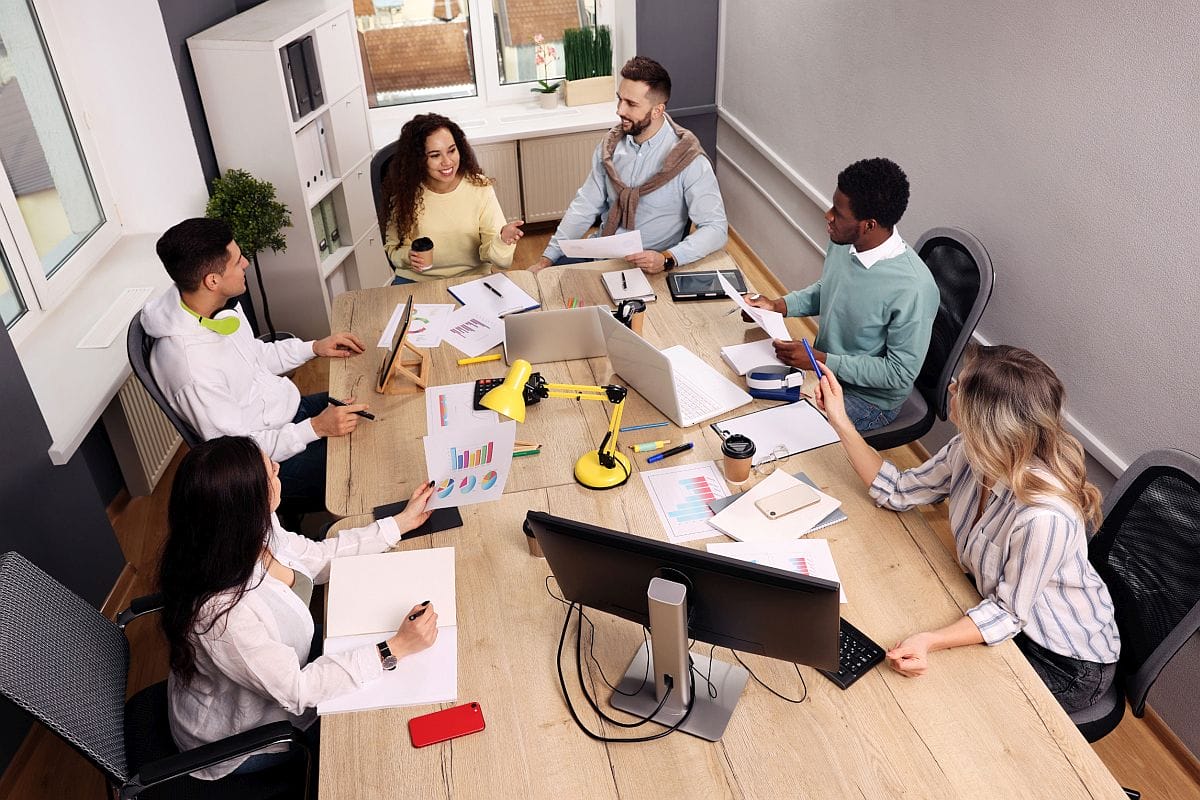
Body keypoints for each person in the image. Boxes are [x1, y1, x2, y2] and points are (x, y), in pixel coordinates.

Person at [814, 345, 1120, 714]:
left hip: (1063, 660)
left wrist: (931, 640)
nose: (951, 388)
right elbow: (898, 491)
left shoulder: (1044, 517)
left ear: (986, 420)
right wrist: (840, 420)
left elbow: (1007, 614)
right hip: (1001, 612)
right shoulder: (970, 450)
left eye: (959, 386)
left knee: (940, 704)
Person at [159, 436, 440, 779]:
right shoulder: (223, 616)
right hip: (243, 736)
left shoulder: (246, 529)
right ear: (248, 504)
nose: (279, 468)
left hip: (287, 663)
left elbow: (316, 558)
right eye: (270, 471)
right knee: (379, 742)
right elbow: (298, 691)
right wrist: (392, 649)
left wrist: (396, 524)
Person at [141, 217, 368, 517]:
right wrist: (316, 428)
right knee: (371, 464)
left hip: (289, 416)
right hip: (270, 464)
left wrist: (313, 347)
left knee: (373, 407)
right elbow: (242, 451)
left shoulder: (212, 309)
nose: (246, 263)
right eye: (237, 261)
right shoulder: (191, 370)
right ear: (212, 280)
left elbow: (256, 356)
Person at [745, 158, 938, 432]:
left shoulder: (913, 288)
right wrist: (778, 306)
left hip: (868, 400)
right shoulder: (846, 241)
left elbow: (899, 373)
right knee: (748, 395)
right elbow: (831, 289)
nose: (828, 215)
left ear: (868, 225)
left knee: (778, 430)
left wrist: (821, 360)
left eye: (838, 211)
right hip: (826, 374)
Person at [528, 56, 727, 274]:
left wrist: (668, 259)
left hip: (649, 267)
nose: (620, 110)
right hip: (600, 255)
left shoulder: (689, 160)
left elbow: (716, 229)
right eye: (619, 99)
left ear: (657, 110)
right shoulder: (610, 147)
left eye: (631, 104)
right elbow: (585, 206)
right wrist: (547, 259)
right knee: (547, 292)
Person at [381, 113, 524, 284]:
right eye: (435, 155)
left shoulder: (480, 187)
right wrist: (408, 257)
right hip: (417, 281)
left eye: (451, 150)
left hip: (472, 278)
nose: (447, 161)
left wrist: (502, 240)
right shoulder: (406, 193)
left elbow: (501, 262)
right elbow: (393, 249)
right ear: (418, 160)